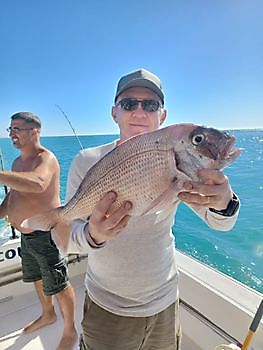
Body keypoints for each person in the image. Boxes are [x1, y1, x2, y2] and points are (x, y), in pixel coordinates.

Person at [65, 68, 240, 350]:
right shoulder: (86, 161)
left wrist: (224, 203)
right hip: (108, 306)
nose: (139, 111)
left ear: (163, 115)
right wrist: (92, 235)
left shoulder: (181, 163)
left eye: (150, 104)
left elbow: (221, 223)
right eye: (128, 103)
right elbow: (65, 238)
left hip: (165, 302)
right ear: (114, 113)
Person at [0, 112, 77, 350]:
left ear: (34, 132)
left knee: (59, 284)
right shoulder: (15, 164)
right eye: (10, 129)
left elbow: (38, 183)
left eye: (17, 129)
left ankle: (70, 330)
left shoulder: (47, 158)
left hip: (47, 234)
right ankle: (48, 314)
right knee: (37, 278)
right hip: (26, 236)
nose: (12, 134)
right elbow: (14, 197)